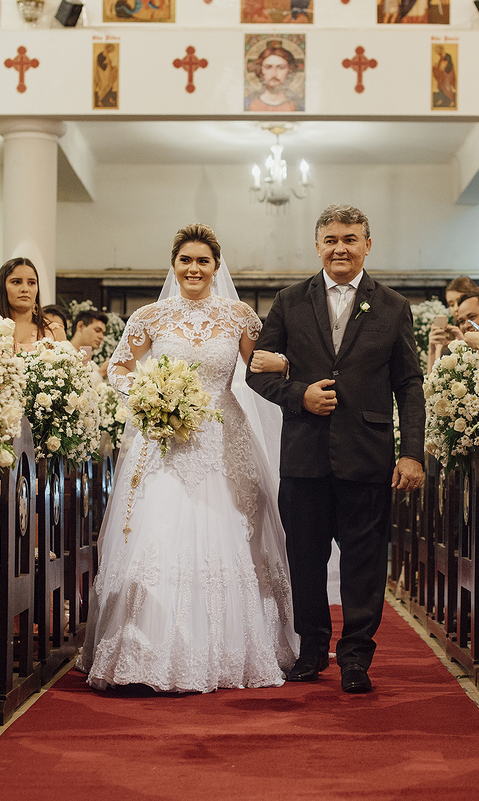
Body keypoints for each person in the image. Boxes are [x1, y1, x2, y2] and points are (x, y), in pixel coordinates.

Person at [76, 223, 297, 693]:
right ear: (173, 265)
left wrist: (284, 364)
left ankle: (225, 650)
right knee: (161, 531)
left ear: (217, 267)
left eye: (203, 261)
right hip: (165, 439)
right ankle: (145, 648)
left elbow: (257, 366)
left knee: (230, 534)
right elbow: (117, 367)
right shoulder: (150, 317)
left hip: (222, 435)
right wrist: (150, 394)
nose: (193, 269)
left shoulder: (238, 316)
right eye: (185, 260)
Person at [247, 204, 426, 694]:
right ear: (318, 245)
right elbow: (257, 371)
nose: (340, 247)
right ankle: (310, 651)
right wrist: (298, 394)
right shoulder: (289, 300)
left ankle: (355, 659)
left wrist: (412, 453)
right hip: (305, 452)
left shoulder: (392, 305)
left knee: (364, 563)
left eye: (350, 238)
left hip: (367, 453)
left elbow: (409, 384)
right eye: (330, 239)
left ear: (368, 244)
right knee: (304, 558)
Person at [0, 257, 60, 352]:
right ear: (3, 287)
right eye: (16, 282)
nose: (25, 289)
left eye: (31, 283)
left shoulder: (54, 332)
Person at [246, 42, 302, 112]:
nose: (274, 74)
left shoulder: (298, 106)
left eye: (281, 68)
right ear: (260, 71)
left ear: (290, 71)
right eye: (268, 67)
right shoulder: (248, 104)